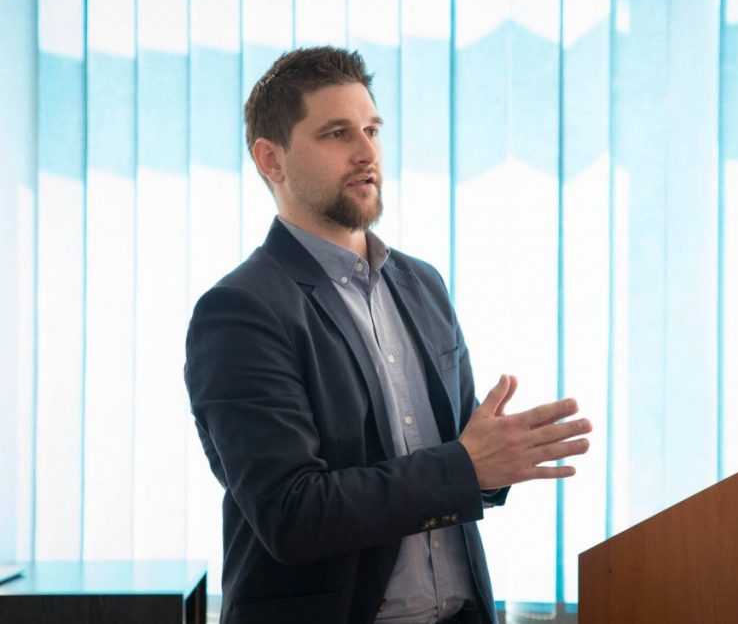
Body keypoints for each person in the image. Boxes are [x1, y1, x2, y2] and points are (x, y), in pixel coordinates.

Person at [184, 46, 591, 624]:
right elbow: (292, 516)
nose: (367, 152)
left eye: (372, 130)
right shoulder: (240, 311)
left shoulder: (423, 284)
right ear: (271, 160)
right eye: (336, 133)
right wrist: (466, 466)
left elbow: (462, 459)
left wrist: (500, 458)